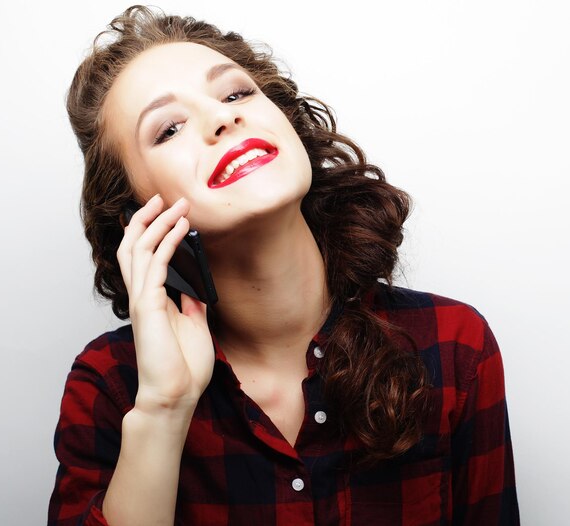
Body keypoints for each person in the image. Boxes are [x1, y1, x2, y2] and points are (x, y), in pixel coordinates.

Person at [48, 5, 520, 525]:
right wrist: (164, 409)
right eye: (169, 129)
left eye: (236, 93)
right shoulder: (111, 384)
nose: (223, 118)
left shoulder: (454, 346)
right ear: (138, 214)